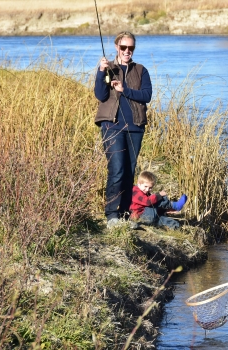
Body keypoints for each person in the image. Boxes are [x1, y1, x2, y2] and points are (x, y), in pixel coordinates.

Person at [94, 31, 153, 228]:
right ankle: (111, 215)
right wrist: (101, 71)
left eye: (131, 48)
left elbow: (146, 95)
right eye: (123, 47)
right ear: (116, 47)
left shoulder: (140, 70)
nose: (127, 51)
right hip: (111, 126)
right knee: (117, 169)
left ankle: (125, 215)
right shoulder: (108, 67)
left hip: (135, 127)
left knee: (129, 172)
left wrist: (124, 90)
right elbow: (100, 95)